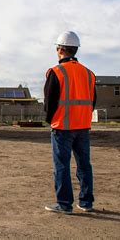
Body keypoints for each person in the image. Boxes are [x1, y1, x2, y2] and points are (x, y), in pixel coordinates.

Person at [44, 31, 97, 214]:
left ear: (59, 50)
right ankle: (86, 202)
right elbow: (93, 100)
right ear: (75, 50)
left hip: (62, 127)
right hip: (83, 127)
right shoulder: (89, 74)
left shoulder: (56, 72)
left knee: (61, 166)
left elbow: (49, 102)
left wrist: (50, 120)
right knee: (84, 165)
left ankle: (64, 204)